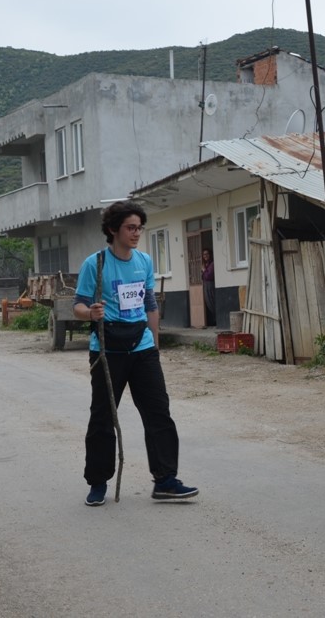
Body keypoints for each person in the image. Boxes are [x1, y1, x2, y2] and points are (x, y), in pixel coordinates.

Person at [73, 201, 198, 506]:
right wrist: (90, 313)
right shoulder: (95, 263)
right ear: (113, 229)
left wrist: (154, 346)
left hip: (142, 348)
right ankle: (98, 482)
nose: (136, 233)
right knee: (103, 417)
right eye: (130, 227)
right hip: (107, 350)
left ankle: (165, 480)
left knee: (159, 413)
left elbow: (150, 305)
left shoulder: (144, 261)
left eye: (140, 228)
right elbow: (78, 305)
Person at [201, 248, 216, 327]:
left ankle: (216, 320)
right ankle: (212, 321)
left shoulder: (212, 264)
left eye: (207, 254)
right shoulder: (205, 264)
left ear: (210, 255)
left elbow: (209, 276)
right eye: (204, 254)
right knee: (208, 303)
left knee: (212, 302)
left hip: (210, 285)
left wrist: (204, 270)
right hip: (205, 285)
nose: (205, 256)